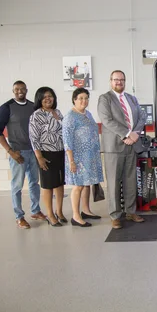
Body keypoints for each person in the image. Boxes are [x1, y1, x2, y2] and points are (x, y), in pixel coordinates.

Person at [98, 70, 147, 229]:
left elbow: (142, 117)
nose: (119, 82)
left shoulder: (132, 99)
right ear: (110, 81)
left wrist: (135, 134)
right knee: (113, 182)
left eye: (122, 79)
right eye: (116, 79)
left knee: (130, 181)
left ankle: (130, 211)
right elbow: (107, 120)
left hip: (132, 146)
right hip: (114, 146)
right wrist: (126, 134)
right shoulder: (105, 98)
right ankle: (115, 216)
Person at [0, 80, 46, 229]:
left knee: (34, 183)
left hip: (34, 152)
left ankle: (35, 211)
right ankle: (19, 217)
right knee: (17, 186)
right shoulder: (6, 108)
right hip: (18, 153)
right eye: (17, 89)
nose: (20, 91)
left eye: (22, 89)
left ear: (27, 90)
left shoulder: (32, 106)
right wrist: (10, 152)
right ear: (13, 91)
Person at [62, 87, 104, 227]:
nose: (84, 101)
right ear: (74, 99)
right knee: (78, 186)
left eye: (86, 98)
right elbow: (67, 141)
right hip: (77, 158)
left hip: (89, 157)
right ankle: (76, 216)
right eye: (80, 98)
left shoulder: (88, 114)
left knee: (87, 184)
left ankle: (86, 210)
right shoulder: (70, 117)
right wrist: (71, 161)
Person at [29, 87, 66, 227]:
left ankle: (59, 212)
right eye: (44, 97)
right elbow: (34, 138)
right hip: (46, 154)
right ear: (39, 99)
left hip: (60, 152)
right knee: (48, 185)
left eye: (50, 96)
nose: (48, 99)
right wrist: (39, 157)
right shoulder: (36, 115)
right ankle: (50, 215)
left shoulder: (58, 112)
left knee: (60, 183)